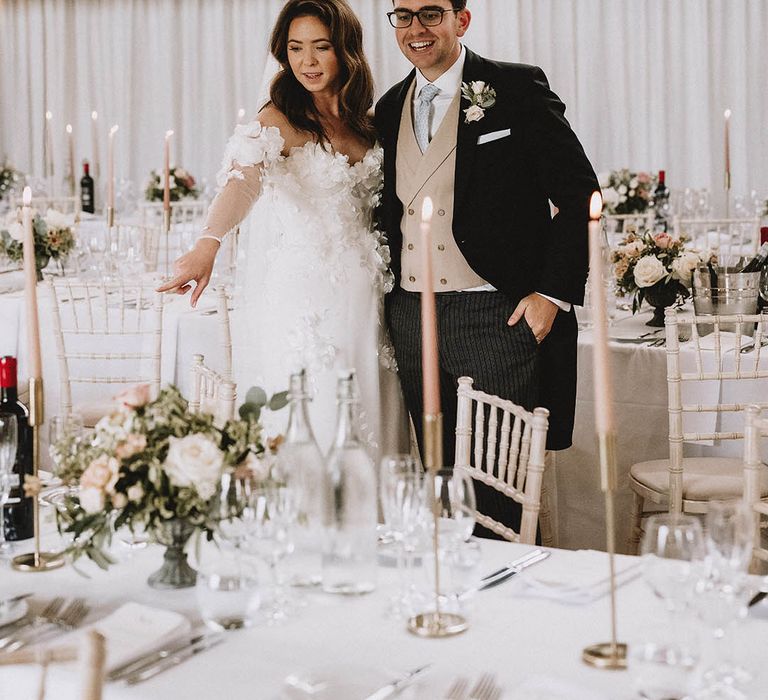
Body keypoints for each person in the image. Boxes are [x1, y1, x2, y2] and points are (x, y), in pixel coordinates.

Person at [375, 0, 599, 536]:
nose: (416, 29)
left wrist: (551, 293)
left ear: (462, 20)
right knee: (439, 483)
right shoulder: (386, 109)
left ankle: (513, 605)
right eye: (403, 16)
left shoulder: (515, 89)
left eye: (430, 14)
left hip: (495, 314)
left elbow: (578, 193)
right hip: (412, 317)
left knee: (500, 493)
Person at [158, 0, 407, 457]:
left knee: (368, 407)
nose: (306, 62)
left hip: (368, 298)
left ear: (346, 50)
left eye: (320, 47)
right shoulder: (277, 120)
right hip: (305, 301)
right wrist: (208, 244)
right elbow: (241, 182)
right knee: (318, 407)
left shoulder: (368, 125)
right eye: (295, 48)